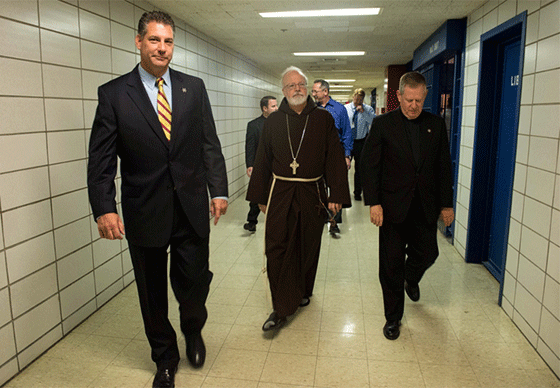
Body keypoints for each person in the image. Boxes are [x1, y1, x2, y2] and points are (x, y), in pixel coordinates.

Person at [87, 11, 228, 388]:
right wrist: (104, 207)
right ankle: (165, 358)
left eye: (167, 41)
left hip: (192, 204)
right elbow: (101, 159)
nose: (162, 48)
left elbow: (208, 144)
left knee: (195, 280)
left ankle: (193, 328)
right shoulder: (114, 94)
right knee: (151, 291)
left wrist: (220, 190)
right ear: (138, 42)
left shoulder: (193, 87)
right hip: (144, 208)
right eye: (154, 40)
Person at [246, 66, 350, 331]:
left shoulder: (323, 120)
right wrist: (259, 196)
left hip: (312, 191)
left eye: (301, 84)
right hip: (280, 192)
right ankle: (280, 308)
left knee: (308, 245)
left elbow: (334, 158)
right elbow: (262, 160)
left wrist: (336, 194)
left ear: (308, 87)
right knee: (277, 247)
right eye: (291, 85)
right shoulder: (273, 121)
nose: (297, 89)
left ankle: (303, 289)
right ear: (283, 91)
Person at [360, 71, 454, 341]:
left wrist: (446, 204)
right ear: (399, 96)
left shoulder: (435, 125)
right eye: (408, 99)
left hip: (424, 205)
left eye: (418, 100)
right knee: (390, 264)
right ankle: (393, 318)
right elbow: (369, 166)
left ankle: (410, 278)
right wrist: (374, 202)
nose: (413, 106)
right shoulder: (383, 125)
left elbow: (443, 167)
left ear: (425, 96)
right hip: (391, 206)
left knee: (428, 253)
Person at [312, 79, 353, 234]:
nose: (313, 94)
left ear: (325, 92)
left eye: (316, 91)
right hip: (316, 156)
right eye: (313, 91)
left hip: (336, 154)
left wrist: (347, 155)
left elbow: (347, 133)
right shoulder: (311, 109)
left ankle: (334, 221)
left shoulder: (339, 109)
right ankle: (320, 216)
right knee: (318, 187)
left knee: (337, 187)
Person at [244, 96, 278, 232]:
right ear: (265, 109)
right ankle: (252, 221)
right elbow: (250, 146)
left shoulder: (281, 123)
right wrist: (250, 164)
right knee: (257, 193)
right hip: (260, 164)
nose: (276, 109)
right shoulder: (254, 125)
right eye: (273, 106)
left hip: (277, 164)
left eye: (276, 106)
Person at [345, 88, 375, 201]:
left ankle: (358, 192)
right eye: (357, 98)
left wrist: (364, 113)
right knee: (344, 168)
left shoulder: (368, 109)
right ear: (353, 97)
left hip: (361, 142)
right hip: (347, 141)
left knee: (360, 169)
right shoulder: (346, 109)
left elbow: (373, 122)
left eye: (361, 99)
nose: (358, 101)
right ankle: (343, 192)